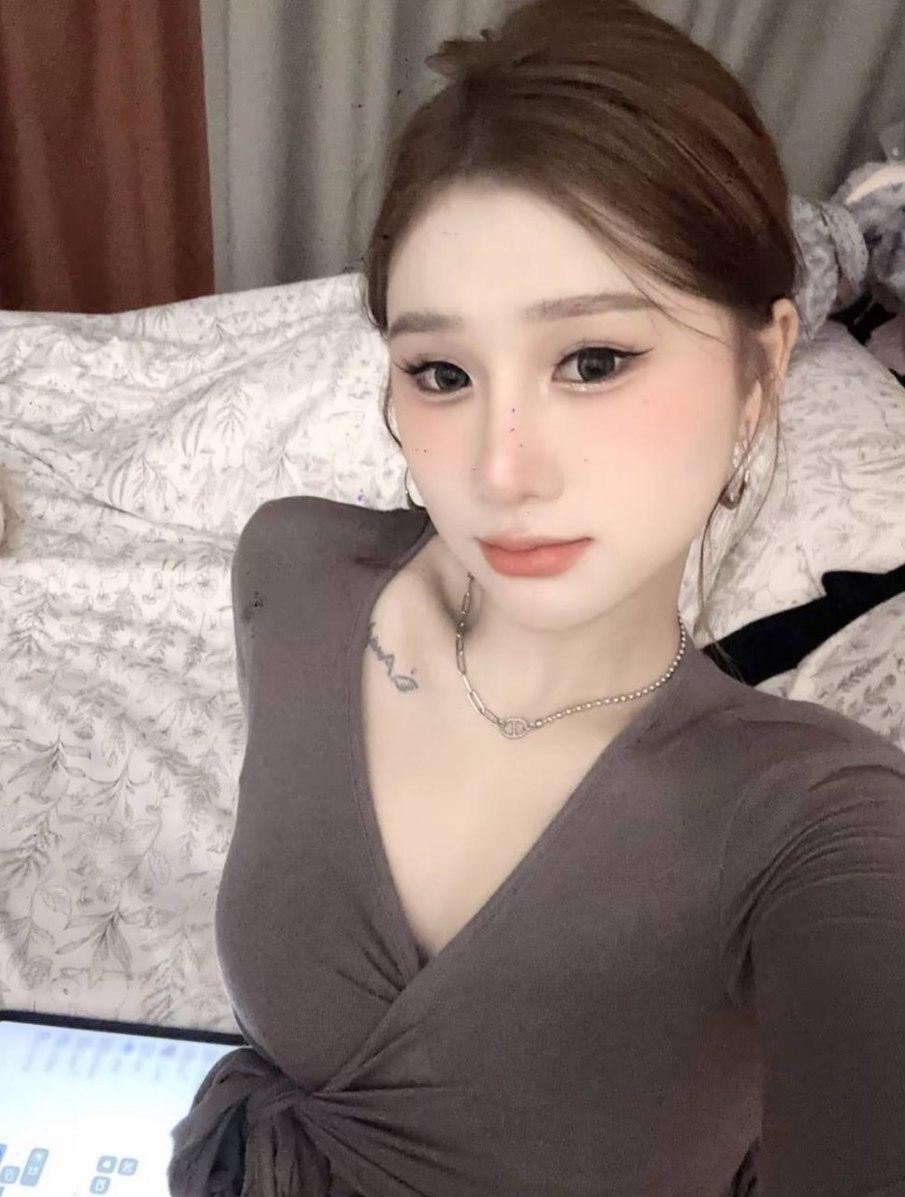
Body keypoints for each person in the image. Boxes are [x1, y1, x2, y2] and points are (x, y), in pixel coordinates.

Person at [168, 1, 905, 1194]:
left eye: (592, 361)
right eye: (439, 373)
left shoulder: (821, 827)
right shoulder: (292, 573)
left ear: (761, 370)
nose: (499, 472)